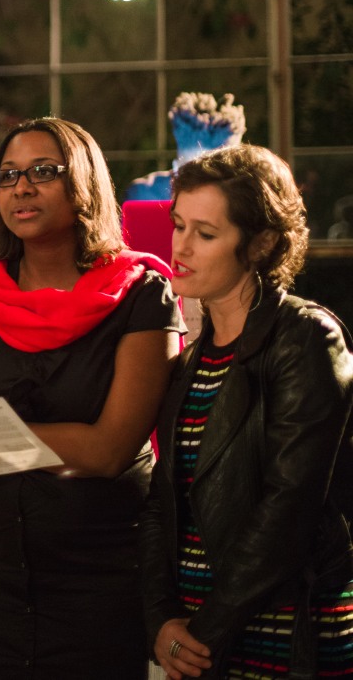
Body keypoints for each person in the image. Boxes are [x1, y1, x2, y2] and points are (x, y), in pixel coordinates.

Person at [0, 116, 185, 678]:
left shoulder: (142, 293)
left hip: (101, 565)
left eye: (44, 171)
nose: (21, 187)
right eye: (8, 175)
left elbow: (110, 450)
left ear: (83, 183)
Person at [139, 144, 353, 679]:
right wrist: (162, 618)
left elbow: (289, 508)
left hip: (281, 630)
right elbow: (163, 502)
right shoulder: (189, 359)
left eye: (206, 234)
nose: (180, 247)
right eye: (179, 224)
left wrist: (203, 632)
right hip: (196, 632)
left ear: (260, 244)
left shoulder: (305, 336)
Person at [125, 92, 246, 202]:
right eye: (189, 173)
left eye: (215, 175)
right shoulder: (144, 195)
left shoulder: (246, 198)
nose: (199, 185)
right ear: (177, 165)